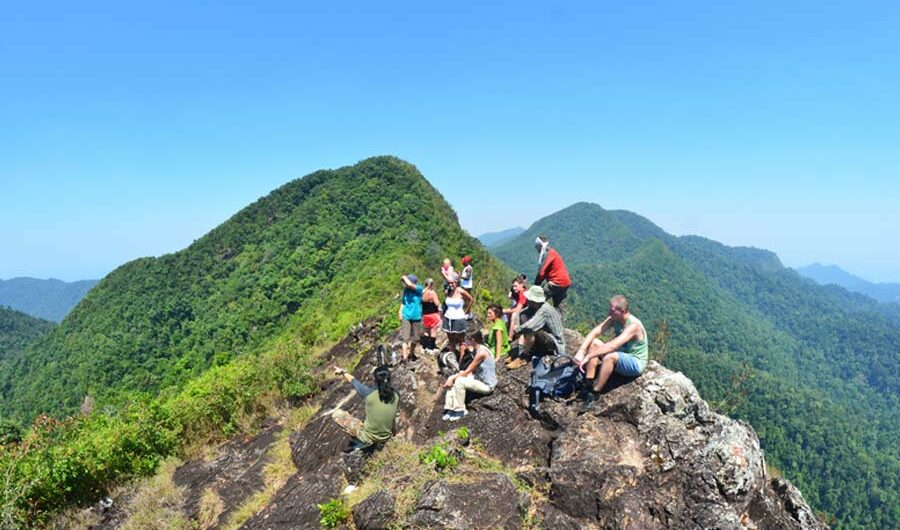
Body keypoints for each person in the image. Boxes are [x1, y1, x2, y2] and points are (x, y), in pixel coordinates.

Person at [574, 295, 648, 407]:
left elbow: (613, 345)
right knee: (594, 344)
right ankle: (588, 384)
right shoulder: (615, 319)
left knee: (610, 357)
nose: (609, 312)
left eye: (612, 310)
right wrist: (582, 350)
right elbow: (595, 332)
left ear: (622, 311)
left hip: (635, 362)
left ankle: (595, 393)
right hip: (620, 355)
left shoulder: (634, 326)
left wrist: (589, 357)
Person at [330, 364, 400, 450]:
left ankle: (362, 442)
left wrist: (342, 372)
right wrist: (394, 433)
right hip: (386, 436)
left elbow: (353, 381)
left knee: (337, 414)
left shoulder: (368, 393)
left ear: (375, 380)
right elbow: (391, 416)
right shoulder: (396, 395)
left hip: (369, 437)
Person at [442, 330, 497, 421]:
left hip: (487, 385)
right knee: (454, 379)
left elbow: (468, 371)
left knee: (459, 381)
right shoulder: (476, 349)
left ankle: (460, 410)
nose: (465, 342)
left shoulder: (482, 353)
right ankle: (450, 408)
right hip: (478, 378)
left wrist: (452, 378)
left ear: (474, 340)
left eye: (468, 339)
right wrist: (452, 378)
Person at [507, 285, 566, 369]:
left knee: (531, 329)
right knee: (524, 315)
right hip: (544, 337)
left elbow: (531, 326)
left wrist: (517, 330)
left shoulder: (544, 310)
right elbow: (521, 312)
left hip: (554, 342)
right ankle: (528, 350)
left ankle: (524, 356)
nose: (528, 300)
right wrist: (516, 321)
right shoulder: (535, 306)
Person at [534, 235, 572, 316]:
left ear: (540, 246)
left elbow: (541, 273)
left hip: (556, 282)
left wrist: (535, 286)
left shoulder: (547, 254)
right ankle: (559, 326)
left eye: (536, 246)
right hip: (565, 282)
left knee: (536, 299)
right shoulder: (552, 252)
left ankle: (533, 321)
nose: (536, 248)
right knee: (559, 306)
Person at [442, 273, 473, 354]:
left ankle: (462, 359)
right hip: (448, 317)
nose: (450, 284)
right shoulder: (448, 291)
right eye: (449, 282)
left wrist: (467, 311)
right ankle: (452, 357)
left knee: (461, 341)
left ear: (456, 282)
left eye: (452, 282)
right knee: (451, 340)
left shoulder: (460, 291)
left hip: (459, 318)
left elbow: (471, 299)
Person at [398, 274, 423, 362]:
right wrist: (400, 311)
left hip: (416, 316)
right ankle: (405, 358)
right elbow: (403, 302)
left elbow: (409, 285)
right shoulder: (406, 290)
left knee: (416, 338)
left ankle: (411, 354)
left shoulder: (419, 289)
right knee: (405, 338)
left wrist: (403, 277)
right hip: (406, 316)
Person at [420, 278, 442, 353]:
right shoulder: (432, 293)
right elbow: (437, 303)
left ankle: (425, 346)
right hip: (433, 314)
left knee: (427, 330)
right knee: (433, 331)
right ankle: (431, 347)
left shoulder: (422, 293)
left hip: (425, 314)